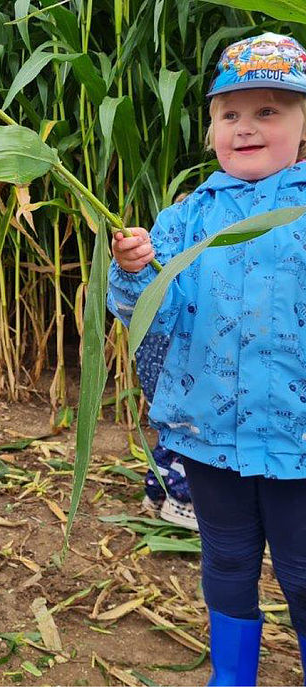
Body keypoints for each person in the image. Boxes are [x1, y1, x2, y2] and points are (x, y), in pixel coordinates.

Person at [108, 32, 306, 686]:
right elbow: (148, 310)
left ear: (304, 123)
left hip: (296, 438)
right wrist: (133, 270)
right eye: (230, 114)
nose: (245, 127)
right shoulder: (186, 218)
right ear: (212, 126)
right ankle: (232, 677)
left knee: (303, 569)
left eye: (268, 111)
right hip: (210, 433)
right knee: (226, 560)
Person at [135, 333, 198, 531]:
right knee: (190, 439)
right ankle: (182, 502)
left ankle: (156, 493)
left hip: (157, 369)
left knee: (170, 437)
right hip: (178, 370)